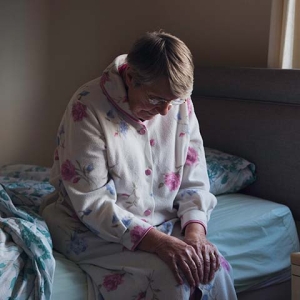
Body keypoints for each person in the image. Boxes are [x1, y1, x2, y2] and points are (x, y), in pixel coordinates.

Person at [41, 31, 237, 300]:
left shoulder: (178, 102)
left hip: (162, 224)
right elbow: (92, 203)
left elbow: (194, 180)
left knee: (214, 270)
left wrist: (195, 236)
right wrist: (159, 243)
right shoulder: (87, 106)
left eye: (175, 101)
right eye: (156, 99)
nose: (166, 111)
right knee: (172, 280)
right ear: (131, 77)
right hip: (91, 228)